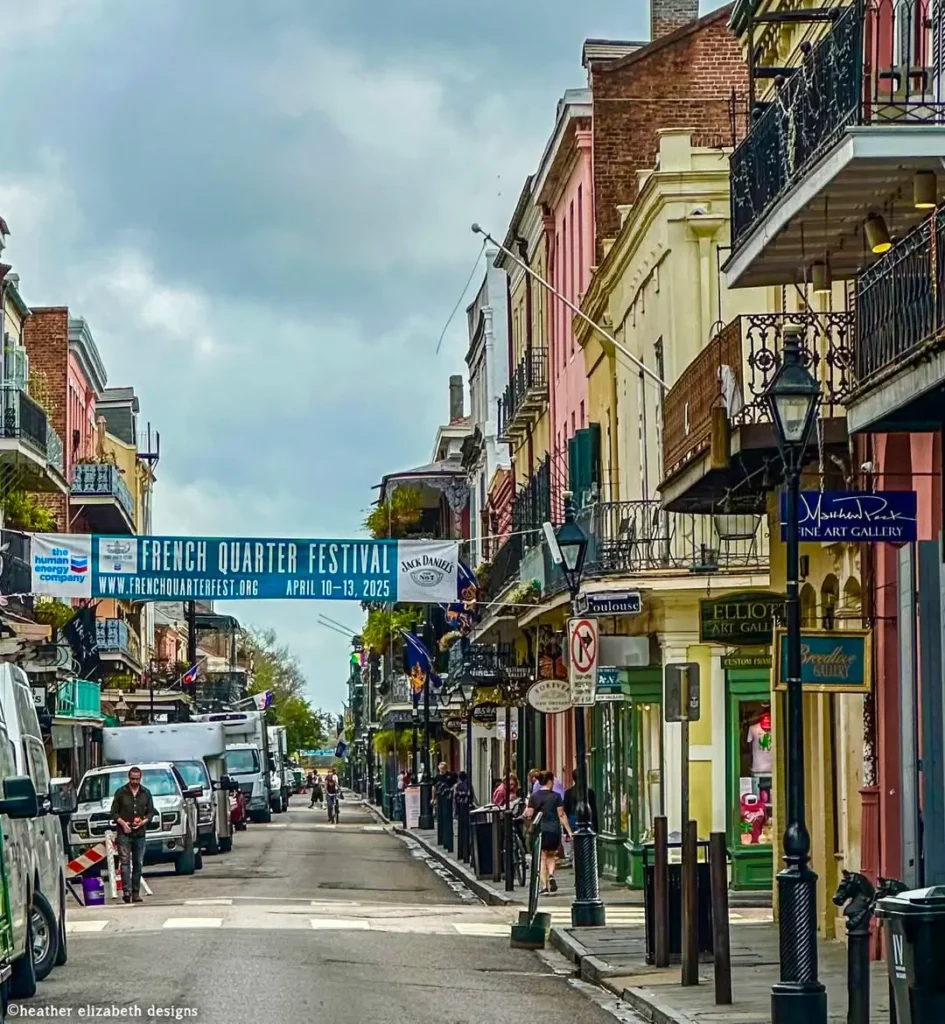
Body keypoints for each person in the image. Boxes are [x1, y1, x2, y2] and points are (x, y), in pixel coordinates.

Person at [110, 766, 154, 904]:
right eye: (132, 779)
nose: (135, 781)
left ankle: (135, 892)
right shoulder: (121, 792)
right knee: (124, 863)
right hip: (124, 833)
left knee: (138, 863)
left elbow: (151, 813)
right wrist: (123, 824)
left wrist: (142, 823)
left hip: (140, 833)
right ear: (128, 778)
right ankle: (126, 892)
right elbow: (113, 812)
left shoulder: (146, 793)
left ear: (141, 778)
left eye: (137, 779)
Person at [524, 771, 572, 895]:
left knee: (542, 858)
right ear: (550, 781)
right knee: (551, 856)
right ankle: (551, 875)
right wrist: (569, 831)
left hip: (541, 830)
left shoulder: (534, 797)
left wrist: (526, 815)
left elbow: (529, 814)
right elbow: (561, 815)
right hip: (554, 830)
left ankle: (545, 886)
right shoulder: (556, 796)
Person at [564, 770, 599, 836]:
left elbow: (565, 810)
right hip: (588, 819)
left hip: (572, 819)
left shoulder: (568, 792)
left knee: (574, 841)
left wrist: (566, 830)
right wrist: (596, 828)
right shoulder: (590, 792)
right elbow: (594, 810)